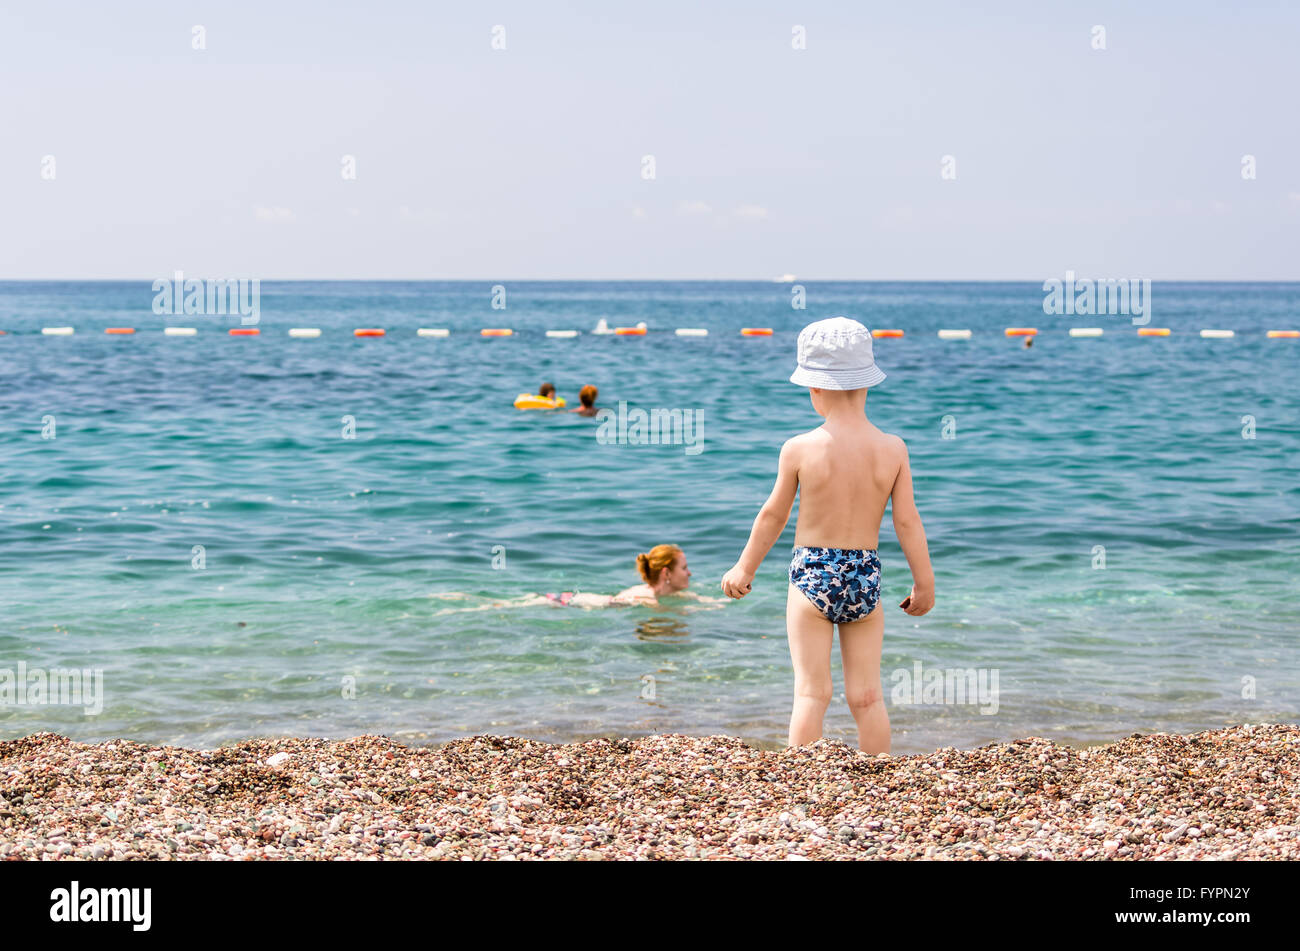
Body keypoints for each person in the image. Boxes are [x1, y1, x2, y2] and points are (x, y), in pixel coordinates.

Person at [720, 316, 934, 755]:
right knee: (868, 696)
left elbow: (773, 515)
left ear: (815, 389)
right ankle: (879, 775)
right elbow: (907, 521)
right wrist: (924, 584)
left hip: (812, 575)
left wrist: (745, 567)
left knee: (811, 693)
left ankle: (802, 777)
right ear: (867, 385)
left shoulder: (799, 447)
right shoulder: (893, 448)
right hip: (865, 577)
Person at [534, 544, 717, 608]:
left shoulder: (661, 595)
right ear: (667, 573)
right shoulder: (644, 599)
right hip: (573, 603)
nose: (690, 573)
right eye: (684, 568)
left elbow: (695, 600)